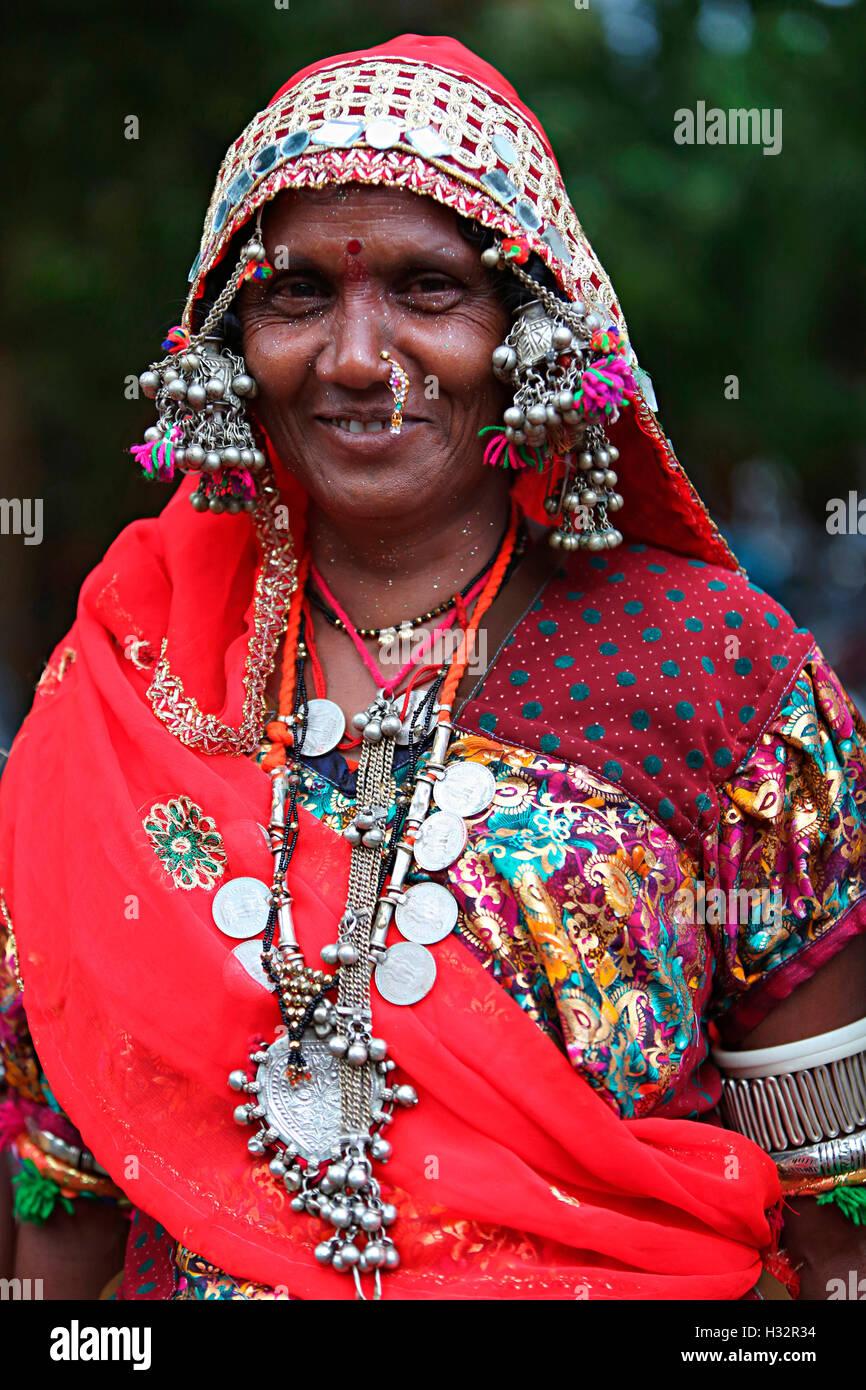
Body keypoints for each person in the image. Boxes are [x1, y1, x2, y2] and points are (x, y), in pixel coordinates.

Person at [1, 34, 865, 1303]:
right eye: (297, 294)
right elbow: (58, 1197)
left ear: (532, 331)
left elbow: (837, 1213)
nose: (356, 358)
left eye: (427, 288)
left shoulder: (718, 678)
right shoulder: (130, 673)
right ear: (228, 343)